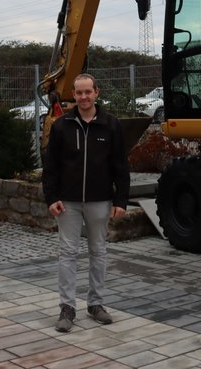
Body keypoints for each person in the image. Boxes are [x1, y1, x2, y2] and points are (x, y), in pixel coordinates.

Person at [42, 73, 130, 333]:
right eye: (78, 93)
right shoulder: (61, 126)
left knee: (98, 252)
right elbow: (51, 167)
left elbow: (120, 167)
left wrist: (121, 200)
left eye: (87, 92)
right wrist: (51, 197)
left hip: (100, 200)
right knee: (67, 254)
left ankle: (96, 304)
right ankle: (67, 308)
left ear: (96, 93)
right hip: (67, 202)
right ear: (74, 95)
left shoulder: (111, 125)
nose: (83, 97)